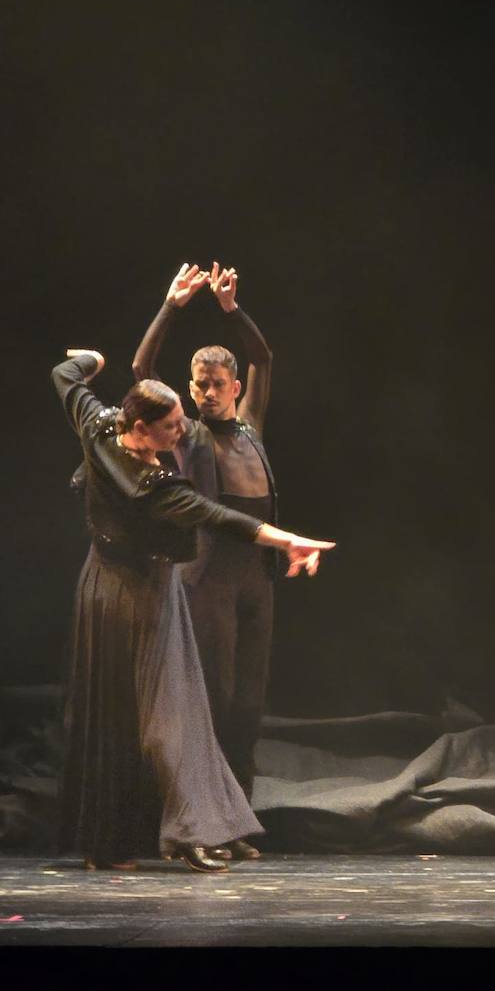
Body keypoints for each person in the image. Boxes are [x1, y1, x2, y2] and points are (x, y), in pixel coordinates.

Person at [53, 348, 333, 873]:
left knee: (172, 713)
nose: (185, 431)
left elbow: (65, 376)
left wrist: (89, 360)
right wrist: (287, 539)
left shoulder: (99, 421)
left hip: (140, 585)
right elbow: (216, 514)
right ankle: (170, 832)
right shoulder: (148, 485)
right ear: (141, 429)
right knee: (150, 717)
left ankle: (145, 837)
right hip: (125, 595)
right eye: (173, 425)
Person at [131, 262, 277, 859]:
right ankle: (198, 823)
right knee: (211, 700)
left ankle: (236, 820)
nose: (206, 392)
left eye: (217, 383)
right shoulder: (187, 434)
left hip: (257, 579)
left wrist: (230, 311)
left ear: (234, 387)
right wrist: (171, 305)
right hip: (209, 579)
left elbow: (263, 357)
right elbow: (143, 372)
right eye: (198, 385)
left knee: (247, 703)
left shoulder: (252, 426)